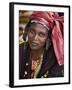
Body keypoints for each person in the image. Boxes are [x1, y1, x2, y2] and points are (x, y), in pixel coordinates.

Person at [19, 11, 64, 79]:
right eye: (32, 31)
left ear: (48, 38)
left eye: (41, 34)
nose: (35, 38)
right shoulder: (19, 51)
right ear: (27, 31)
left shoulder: (55, 60)